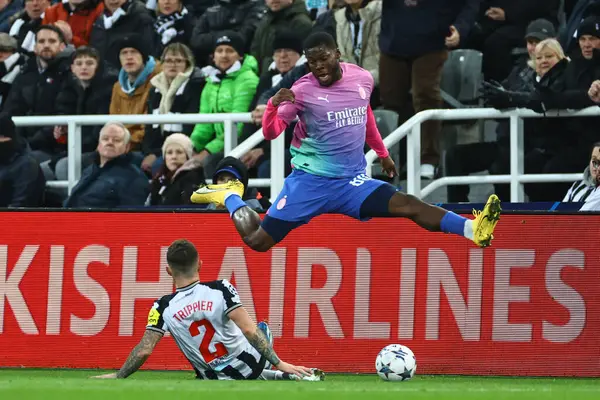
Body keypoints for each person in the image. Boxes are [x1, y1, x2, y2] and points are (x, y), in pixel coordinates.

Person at [190, 32, 502, 252]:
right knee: (258, 242)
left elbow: (364, 114)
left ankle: (473, 230)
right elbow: (272, 134)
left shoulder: (362, 78)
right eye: (312, 63)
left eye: (323, 59)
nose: (318, 68)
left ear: (338, 54)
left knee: (408, 204)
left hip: (351, 182)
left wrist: (381, 152)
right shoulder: (301, 91)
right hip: (309, 183)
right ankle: (230, 195)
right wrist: (273, 104)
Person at [91, 239, 324, 380]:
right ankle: (285, 373)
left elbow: (144, 350)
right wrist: (279, 361)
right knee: (262, 327)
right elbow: (250, 330)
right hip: (249, 366)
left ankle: (276, 375)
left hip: (212, 377)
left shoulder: (162, 306)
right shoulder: (221, 288)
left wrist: (119, 375)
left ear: (168, 271)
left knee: (216, 361)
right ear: (200, 264)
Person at [63, 122, 149, 208]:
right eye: (105, 139)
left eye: (116, 140)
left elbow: (131, 217)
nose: (110, 142)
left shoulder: (134, 177)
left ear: (127, 147)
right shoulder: (90, 169)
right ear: (99, 145)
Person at [148, 133, 205, 206]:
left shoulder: (194, 179)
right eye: (169, 153)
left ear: (187, 156)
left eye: (179, 152)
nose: (174, 157)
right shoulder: (160, 178)